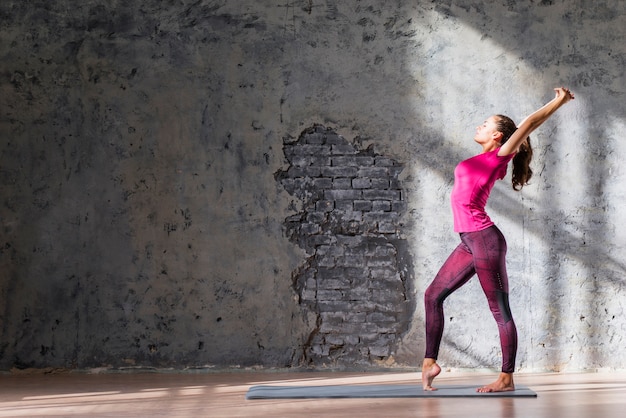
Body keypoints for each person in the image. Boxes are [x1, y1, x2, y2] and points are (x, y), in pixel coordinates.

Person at [422, 87, 575, 393]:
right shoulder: (480, 158)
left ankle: (506, 377)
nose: (479, 126)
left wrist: (558, 101)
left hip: (485, 240)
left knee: (499, 309)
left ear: (498, 136)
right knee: (432, 296)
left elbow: (529, 124)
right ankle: (429, 363)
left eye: (485, 124)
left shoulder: (500, 156)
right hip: (469, 240)